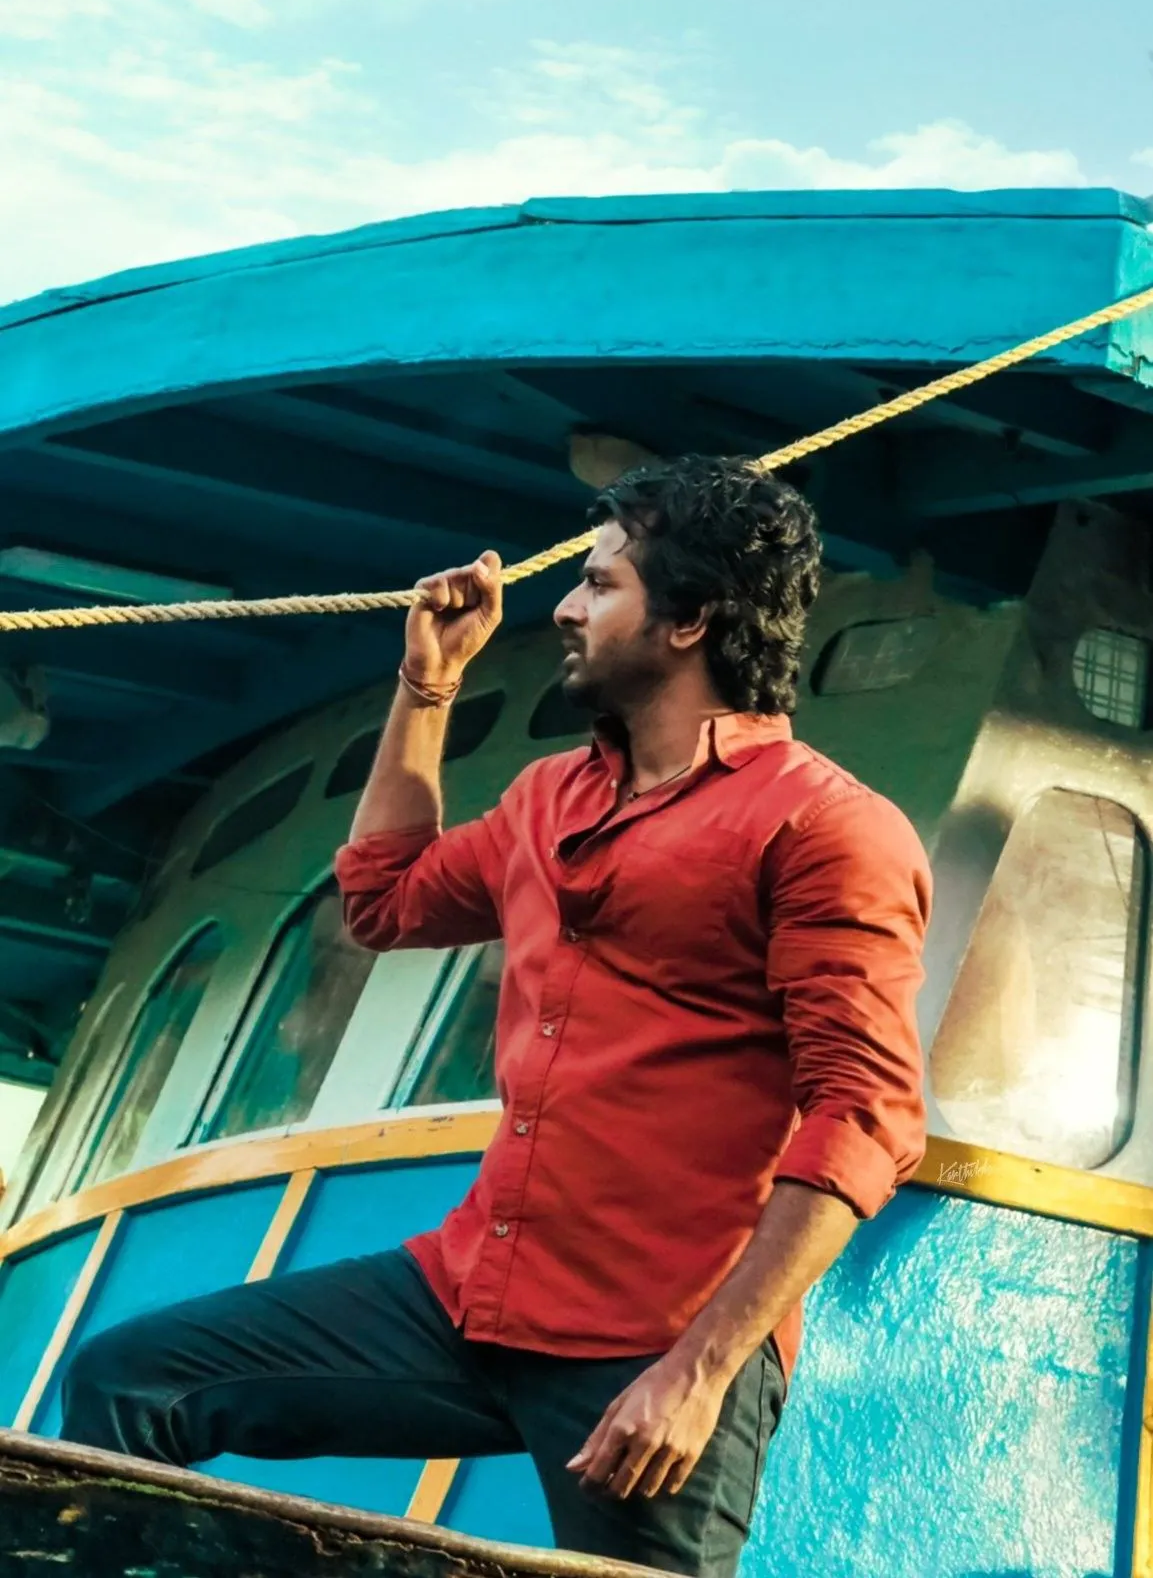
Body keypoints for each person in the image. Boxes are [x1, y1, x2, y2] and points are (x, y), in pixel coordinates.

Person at [60, 455, 932, 1578]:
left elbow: (863, 1116)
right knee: (130, 1382)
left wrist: (701, 1371)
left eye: (600, 584)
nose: (564, 607)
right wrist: (425, 688)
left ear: (691, 620)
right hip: (467, 1296)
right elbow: (383, 900)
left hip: (657, 1344)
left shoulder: (824, 828)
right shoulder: (545, 798)